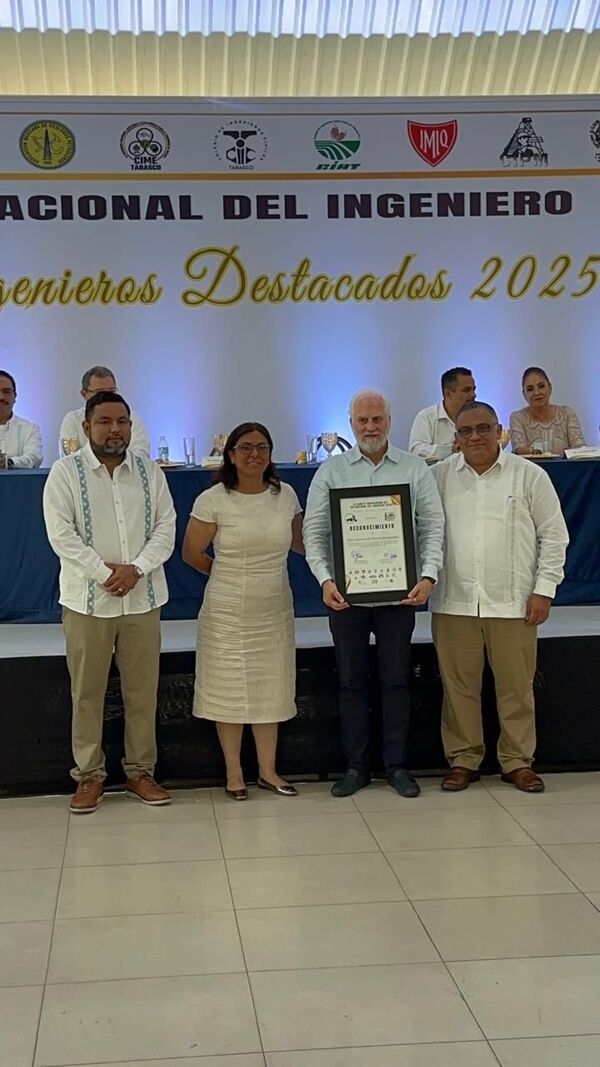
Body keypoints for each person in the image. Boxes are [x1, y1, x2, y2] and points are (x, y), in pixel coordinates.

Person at [303, 389, 444, 798]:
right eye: (363, 421)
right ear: (351, 424)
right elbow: (314, 533)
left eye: (377, 419)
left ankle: (397, 766)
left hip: (401, 598)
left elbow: (432, 527)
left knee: (397, 681)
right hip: (345, 599)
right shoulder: (330, 472)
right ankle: (356, 766)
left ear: (389, 421)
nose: (370, 427)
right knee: (350, 683)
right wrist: (326, 581)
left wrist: (429, 576)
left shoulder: (415, 469)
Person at [43, 391, 176, 813]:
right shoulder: (65, 473)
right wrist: (107, 574)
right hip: (87, 603)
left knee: (143, 692)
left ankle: (140, 772)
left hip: (143, 599)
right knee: (88, 693)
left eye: (122, 421)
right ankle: (89, 777)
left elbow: (166, 528)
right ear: (86, 427)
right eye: (104, 421)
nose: (115, 429)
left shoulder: (150, 472)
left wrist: (135, 569)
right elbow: (62, 536)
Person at [431, 400, 569, 794]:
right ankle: (464, 759)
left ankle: (517, 761)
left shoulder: (529, 476)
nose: (475, 437)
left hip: (513, 603)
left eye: (483, 428)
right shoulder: (439, 477)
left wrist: (544, 590)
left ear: (499, 432)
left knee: (516, 688)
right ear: (455, 438)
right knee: (457, 689)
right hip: (454, 602)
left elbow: (554, 536)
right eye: (465, 431)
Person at [182, 422, 304, 801]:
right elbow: (192, 553)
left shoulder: (285, 496)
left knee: (271, 688)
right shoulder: (213, 498)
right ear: (231, 454)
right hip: (226, 610)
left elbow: (302, 545)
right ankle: (234, 773)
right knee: (228, 689)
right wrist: (227, 574)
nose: (255, 455)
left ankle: (268, 771)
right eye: (246, 447)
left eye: (262, 447)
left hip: (274, 607)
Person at [59, 365, 151, 458]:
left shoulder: (131, 417)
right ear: (84, 394)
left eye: (111, 391)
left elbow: (141, 454)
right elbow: (71, 458)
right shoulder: (73, 420)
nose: (106, 397)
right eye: (100, 392)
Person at [510, 366, 585, 455]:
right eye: (530, 389)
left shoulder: (567, 414)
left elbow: (580, 449)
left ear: (550, 388)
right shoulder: (518, 418)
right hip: (531, 468)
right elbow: (519, 450)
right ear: (524, 394)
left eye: (541, 386)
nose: (537, 393)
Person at [408, 366, 476, 459]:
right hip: (437, 473)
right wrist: (450, 450)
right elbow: (415, 451)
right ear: (448, 393)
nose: (473, 395)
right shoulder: (426, 417)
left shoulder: (479, 416)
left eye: (474, 389)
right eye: (466, 390)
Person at [0, 370, 42, 468]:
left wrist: (8, 463)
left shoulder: (30, 429)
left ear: (15, 397)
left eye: (6, 392)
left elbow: (34, 458)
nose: (1, 397)